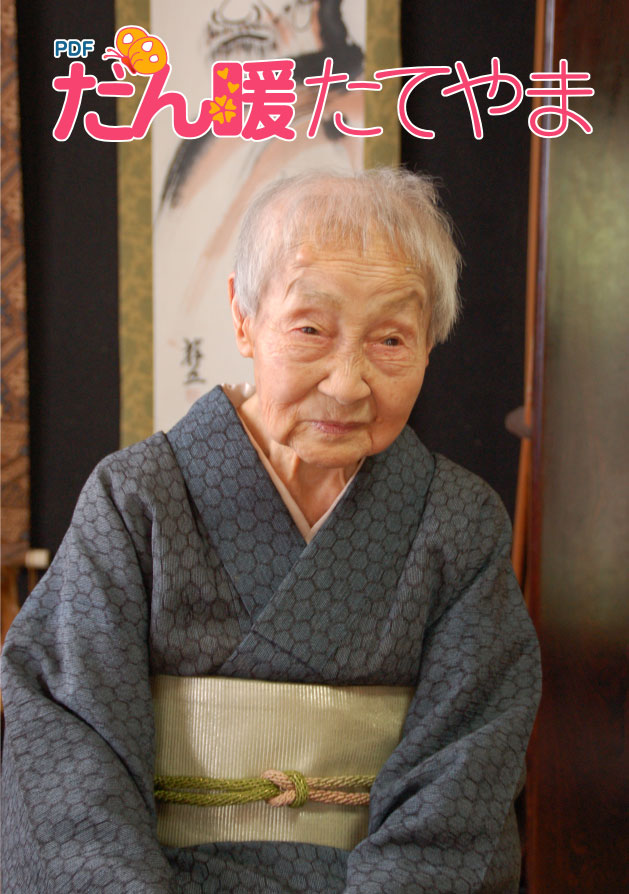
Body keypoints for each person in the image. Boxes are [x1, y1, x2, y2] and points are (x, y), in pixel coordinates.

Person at [1, 168, 541, 893]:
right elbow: (69, 751)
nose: (347, 383)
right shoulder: (137, 500)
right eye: (310, 330)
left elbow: (466, 772)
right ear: (243, 316)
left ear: (429, 345)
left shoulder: (458, 525)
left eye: (390, 339)